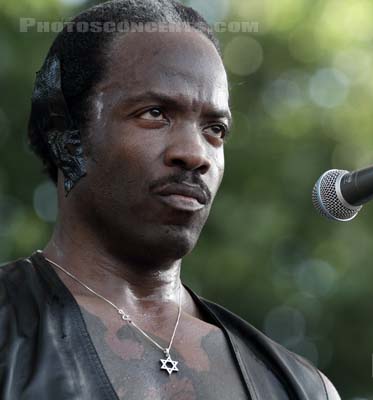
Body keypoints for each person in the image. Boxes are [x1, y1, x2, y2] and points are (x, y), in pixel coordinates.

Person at [0, 1, 340, 398]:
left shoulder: (298, 387)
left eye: (215, 129)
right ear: (66, 135)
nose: (195, 154)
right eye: (155, 113)